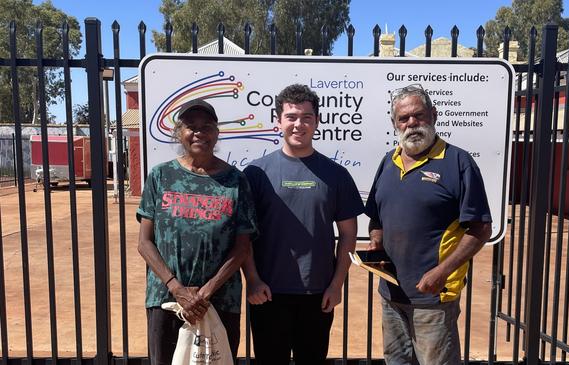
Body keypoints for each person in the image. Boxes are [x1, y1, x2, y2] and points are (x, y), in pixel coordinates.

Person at [365, 84, 492, 365]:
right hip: (391, 294)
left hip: (434, 297)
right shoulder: (389, 162)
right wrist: (376, 241)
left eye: (418, 115)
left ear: (433, 115)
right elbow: (376, 217)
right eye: (403, 118)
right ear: (394, 123)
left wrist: (441, 271)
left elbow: (481, 229)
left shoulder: (458, 162)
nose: (412, 123)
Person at [242, 84, 364, 365]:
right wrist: (252, 279)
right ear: (278, 121)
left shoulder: (336, 175)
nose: (299, 124)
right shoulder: (256, 173)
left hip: (318, 293)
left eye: (307, 117)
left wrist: (337, 285)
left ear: (317, 122)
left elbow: (348, 234)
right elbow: (243, 236)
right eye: (291, 117)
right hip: (267, 293)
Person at [137, 99, 257, 365]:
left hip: (219, 301)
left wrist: (203, 294)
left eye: (207, 127)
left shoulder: (236, 181)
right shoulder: (161, 176)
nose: (199, 133)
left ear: (217, 133)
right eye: (191, 127)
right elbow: (145, 243)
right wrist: (177, 289)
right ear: (179, 133)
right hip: (166, 300)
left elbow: (242, 247)